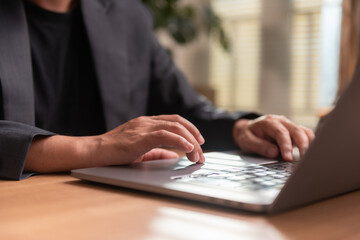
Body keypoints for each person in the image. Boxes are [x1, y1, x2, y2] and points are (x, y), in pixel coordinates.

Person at [0, 0, 314, 180]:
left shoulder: (126, 15)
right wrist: (94, 148)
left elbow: (184, 107)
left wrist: (240, 128)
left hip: (111, 208)